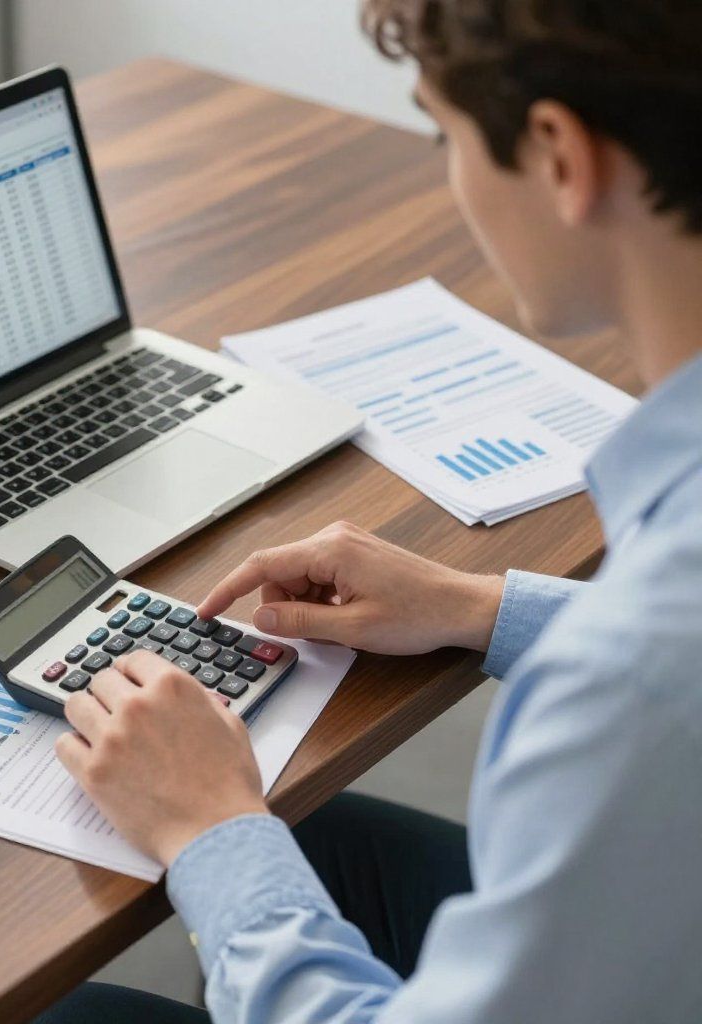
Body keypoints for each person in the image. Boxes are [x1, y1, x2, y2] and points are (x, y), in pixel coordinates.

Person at [36, 1, 702, 1020]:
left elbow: (658, 672)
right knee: (318, 835)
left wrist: (210, 827)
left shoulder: (626, 682)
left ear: (560, 154)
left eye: (443, 135)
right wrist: (481, 607)